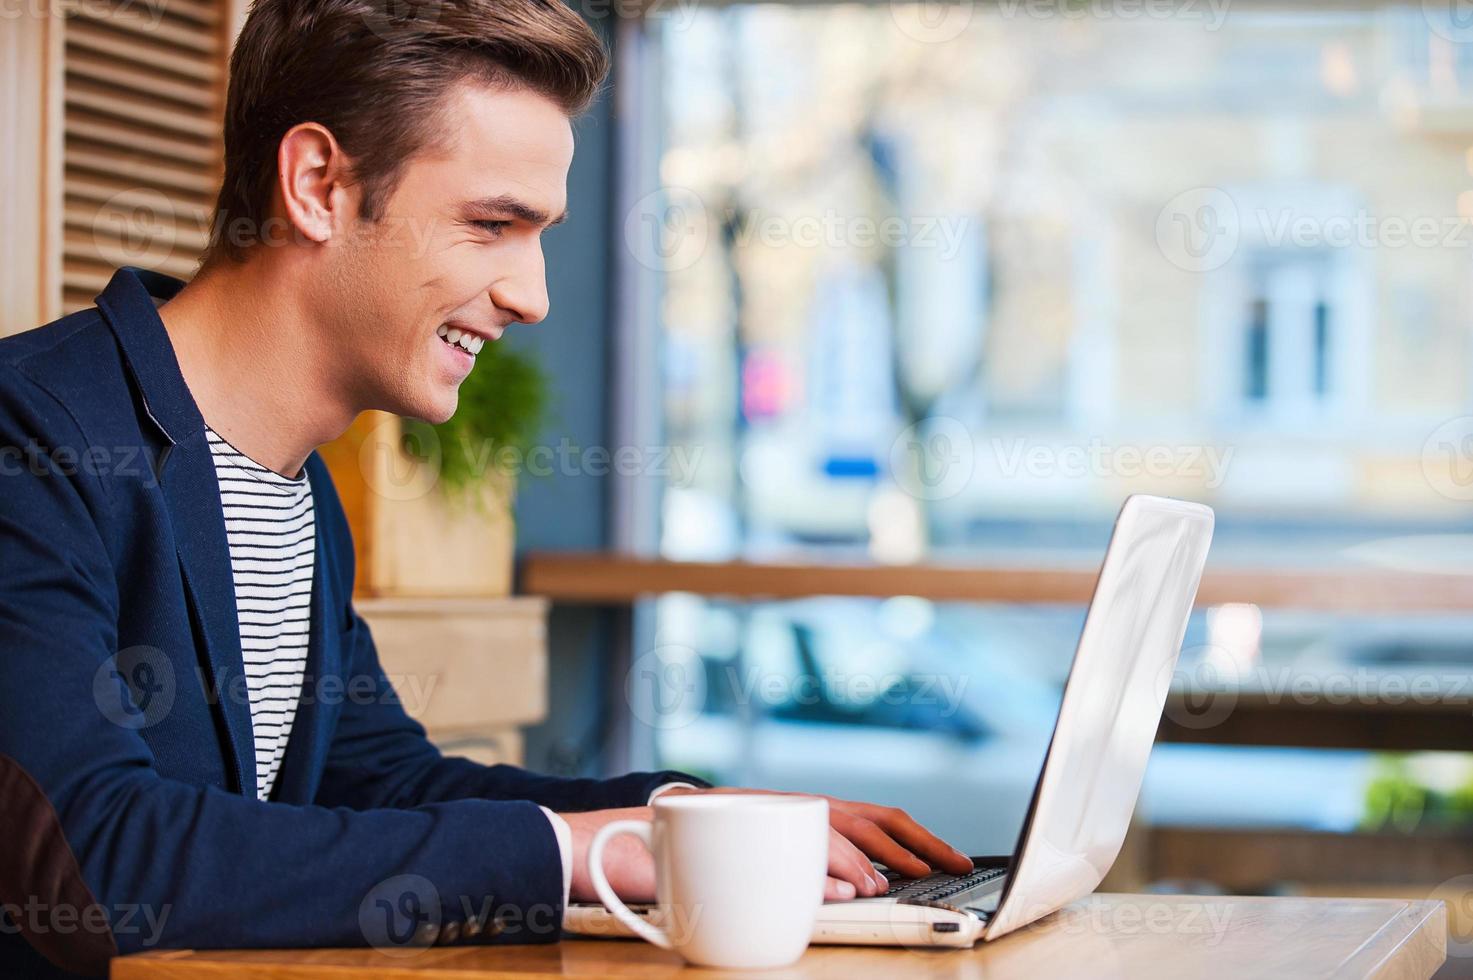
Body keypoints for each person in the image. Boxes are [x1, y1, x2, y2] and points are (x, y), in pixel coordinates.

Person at [0, 1, 972, 976]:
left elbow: (380, 782)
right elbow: (92, 856)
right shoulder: (31, 435)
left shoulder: (295, 488)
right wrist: (576, 852)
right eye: (492, 223)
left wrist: (680, 814)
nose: (533, 294)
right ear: (317, 184)